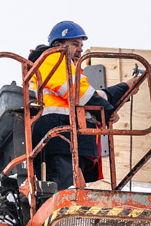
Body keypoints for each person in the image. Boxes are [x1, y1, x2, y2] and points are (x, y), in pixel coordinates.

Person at [27, 20, 142, 193]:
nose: (81, 49)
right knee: (63, 194)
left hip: (67, 140)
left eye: (81, 44)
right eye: (75, 44)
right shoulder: (52, 59)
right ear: (58, 45)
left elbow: (93, 96)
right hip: (59, 139)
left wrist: (126, 87)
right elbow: (80, 94)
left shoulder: (70, 69)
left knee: (69, 192)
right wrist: (107, 110)